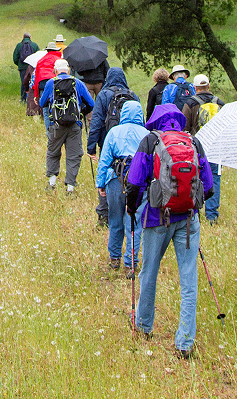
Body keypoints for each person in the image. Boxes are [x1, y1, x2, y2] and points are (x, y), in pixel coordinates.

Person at [124, 104, 215, 359]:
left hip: (156, 218)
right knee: (189, 279)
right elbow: (208, 188)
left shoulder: (151, 140)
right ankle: (185, 342)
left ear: (156, 120)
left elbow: (134, 183)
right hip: (188, 219)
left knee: (149, 272)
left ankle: (143, 326)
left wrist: (132, 208)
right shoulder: (194, 143)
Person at [96, 99, 148, 272]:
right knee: (134, 222)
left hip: (115, 179)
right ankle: (131, 261)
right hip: (138, 182)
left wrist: (100, 183)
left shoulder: (113, 132)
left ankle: (114, 257)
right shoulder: (146, 134)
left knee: (115, 219)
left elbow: (104, 159)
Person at [87, 66, 138, 227]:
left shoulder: (104, 94)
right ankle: (130, 211)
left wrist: (91, 147)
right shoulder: (132, 95)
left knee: (107, 174)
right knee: (130, 174)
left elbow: (96, 122)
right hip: (131, 146)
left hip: (108, 143)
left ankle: (104, 214)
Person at [37, 60, 94, 194]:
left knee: (53, 153)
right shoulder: (78, 83)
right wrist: (81, 112)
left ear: (55, 71)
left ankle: (52, 182)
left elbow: (42, 103)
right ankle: (70, 188)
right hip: (74, 125)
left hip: (56, 125)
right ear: (68, 71)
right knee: (73, 155)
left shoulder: (51, 83)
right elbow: (91, 103)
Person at [184, 74, 226, 223]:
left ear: (195, 88)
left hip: (197, 147)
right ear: (209, 86)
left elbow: (185, 127)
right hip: (217, 148)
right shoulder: (220, 103)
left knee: (193, 178)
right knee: (214, 178)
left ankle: (195, 211)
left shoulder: (190, 103)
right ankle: (212, 215)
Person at [32, 43, 62, 114]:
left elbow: (36, 79)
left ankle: (48, 125)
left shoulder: (40, 61)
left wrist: (36, 95)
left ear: (47, 50)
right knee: (57, 106)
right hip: (56, 83)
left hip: (43, 84)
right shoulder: (59, 60)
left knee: (45, 109)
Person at [12, 32, 39, 102]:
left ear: (23, 38)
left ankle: (23, 99)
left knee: (23, 82)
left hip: (22, 67)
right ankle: (32, 99)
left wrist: (19, 65)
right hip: (32, 67)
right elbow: (38, 57)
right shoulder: (34, 45)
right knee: (32, 82)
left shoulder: (19, 45)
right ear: (30, 37)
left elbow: (15, 58)